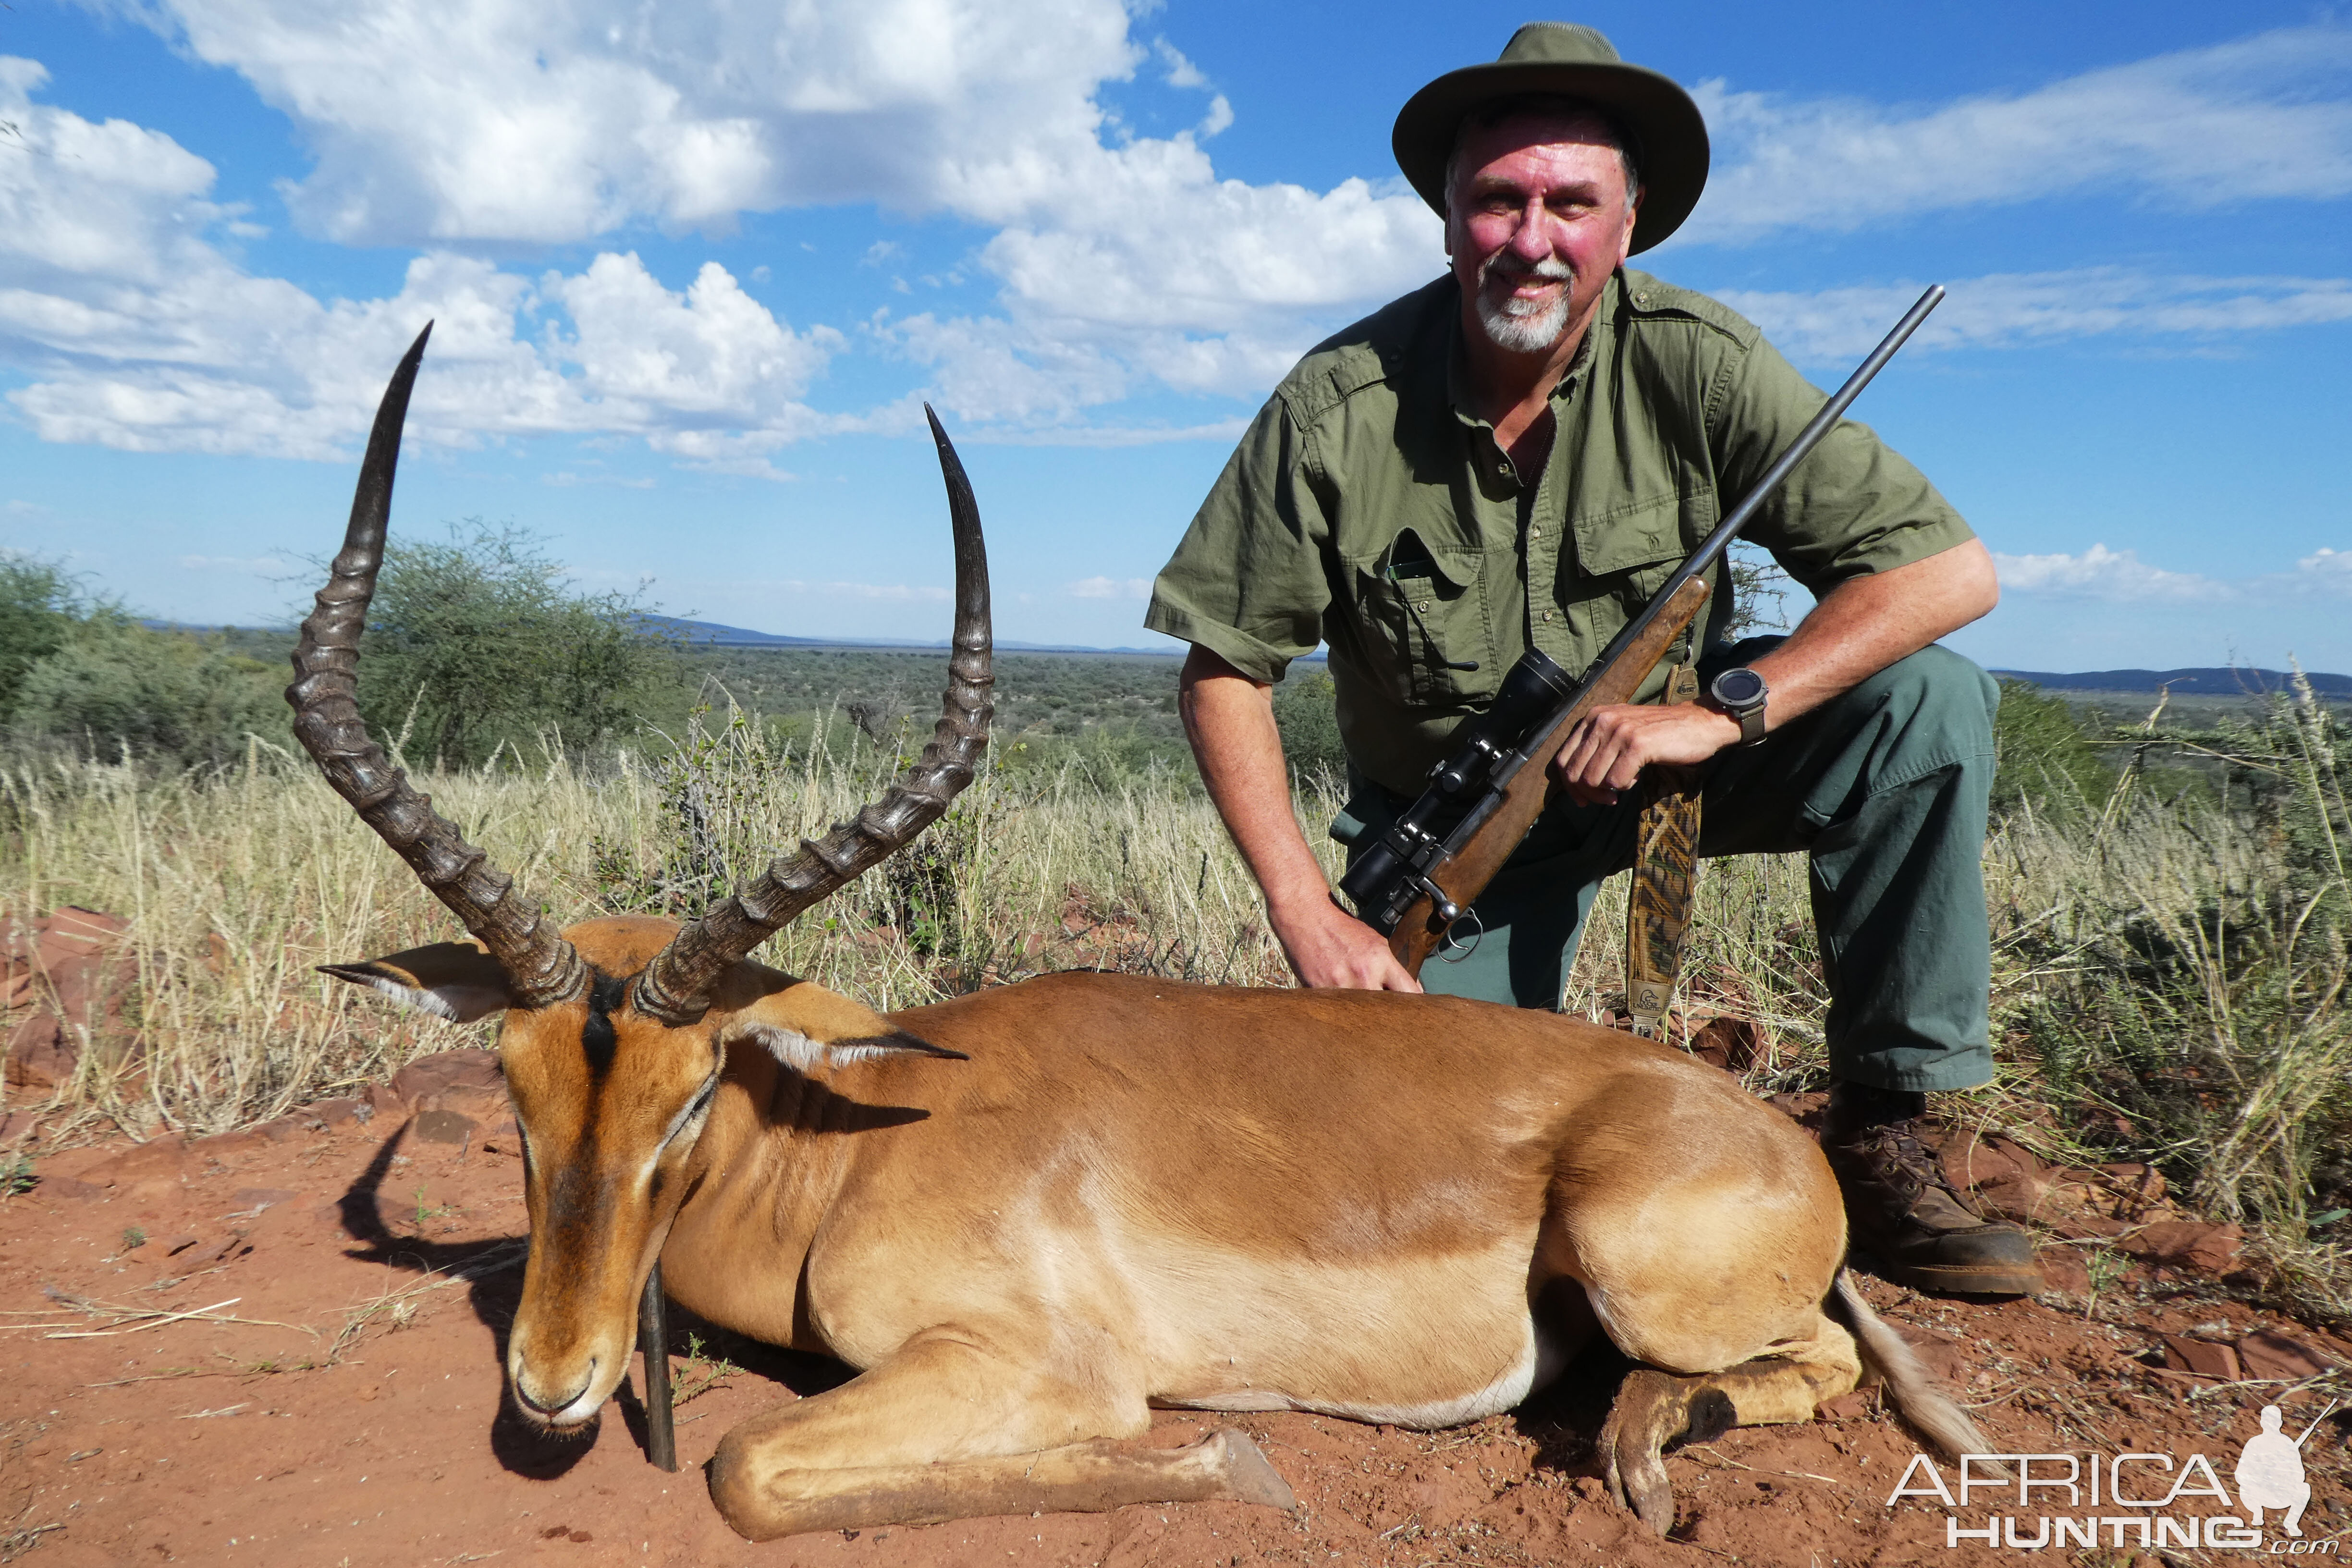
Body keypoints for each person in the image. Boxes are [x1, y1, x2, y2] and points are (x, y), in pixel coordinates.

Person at [1146, 22, 2042, 1296]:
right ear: (1449, 218)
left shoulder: (1702, 360)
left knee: (1929, 705)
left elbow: (1950, 577)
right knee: (1420, 1175)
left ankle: (1895, 1124)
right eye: (1499, 198)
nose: (1532, 235)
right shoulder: (1336, 403)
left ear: (1628, 225)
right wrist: (1306, 912)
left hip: (1673, 771)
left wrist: (1731, 709)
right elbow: (1224, 669)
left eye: (1572, 201)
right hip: (1458, 842)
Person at [2234, 1406, 2313, 1536]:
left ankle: (2291, 1522)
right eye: (2268, 1421)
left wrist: (2283, 1472)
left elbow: (2300, 1474)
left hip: (2280, 1493)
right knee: (2245, 1488)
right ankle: (2257, 1513)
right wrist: (2260, 1473)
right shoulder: (2255, 1443)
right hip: (2257, 1493)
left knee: (2304, 1488)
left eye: (2275, 1422)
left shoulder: (2287, 1444)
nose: (2271, 1425)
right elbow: (2241, 1473)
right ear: (2262, 1423)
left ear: (2280, 1423)